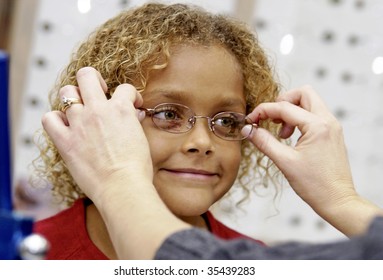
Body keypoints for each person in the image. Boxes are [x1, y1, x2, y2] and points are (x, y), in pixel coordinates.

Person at [37, 3, 382, 260]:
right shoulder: (22, 255)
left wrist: (341, 198)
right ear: (96, 123)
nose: (202, 143)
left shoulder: (249, 260)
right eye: (168, 114)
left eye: (226, 121)